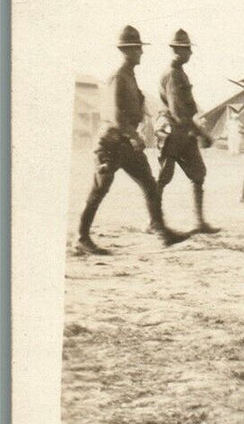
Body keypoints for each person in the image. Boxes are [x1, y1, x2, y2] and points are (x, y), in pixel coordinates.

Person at [74, 26, 191, 255]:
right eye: (137, 48)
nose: (141, 52)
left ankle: (161, 230)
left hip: (126, 145)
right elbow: (115, 115)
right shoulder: (118, 77)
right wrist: (134, 136)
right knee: (99, 190)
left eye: (140, 48)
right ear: (126, 51)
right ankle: (81, 238)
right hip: (110, 144)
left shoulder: (129, 76)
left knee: (149, 184)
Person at [154, 28, 219, 234]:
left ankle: (199, 222)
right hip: (172, 131)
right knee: (164, 177)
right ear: (177, 50)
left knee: (198, 173)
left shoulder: (180, 72)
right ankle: (153, 221)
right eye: (187, 49)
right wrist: (201, 133)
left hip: (184, 132)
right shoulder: (172, 75)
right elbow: (178, 112)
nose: (190, 52)